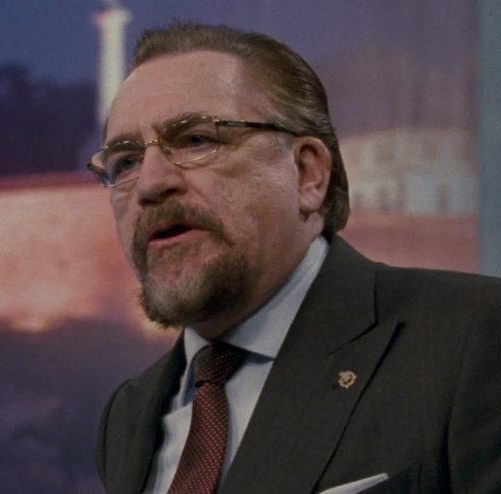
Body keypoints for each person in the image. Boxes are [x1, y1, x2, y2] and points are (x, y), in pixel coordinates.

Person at [88, 23, 501, 494]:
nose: (150, 184)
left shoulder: (472, 337)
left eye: (197, 140)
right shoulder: (128, 416)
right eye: (125, 162)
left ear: (307, 174)